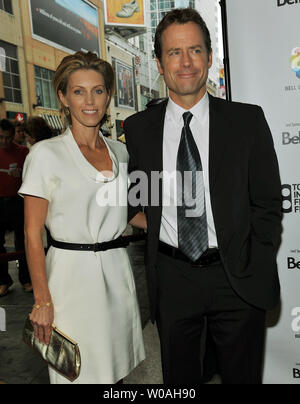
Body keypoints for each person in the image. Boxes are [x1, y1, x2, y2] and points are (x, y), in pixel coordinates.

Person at [124, 8, 282, 384]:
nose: (185, 62)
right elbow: (136, 199)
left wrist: (254, 254)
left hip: (237, 278)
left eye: (194, 50)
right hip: (173, 280)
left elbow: (268, 203)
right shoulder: (139, 129)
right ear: (160, 63)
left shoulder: (247, 121)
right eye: (174, 53)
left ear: (210, 57)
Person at [19, 51, 145, 384]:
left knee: (116, 374)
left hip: (118, 274)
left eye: (98, 90)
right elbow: (32, 234)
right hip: (70, 281)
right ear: (62, 96)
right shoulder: (45, 155)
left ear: (108, 95)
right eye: (78, 91)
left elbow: (132, 214)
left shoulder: (121, 152)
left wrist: (186, 224)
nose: (90, 101)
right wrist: (42, 299)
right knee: (77, 373)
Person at [0, 119, 32, 296]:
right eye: (0, 138)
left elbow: (30, 177)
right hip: (0, 201)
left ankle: (25, 278)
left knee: (22, 241)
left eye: (7, 138)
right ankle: (3, 280)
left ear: (13, 136)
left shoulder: (23, 152)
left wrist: (21, 175)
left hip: (17, 200)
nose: (4, 141)